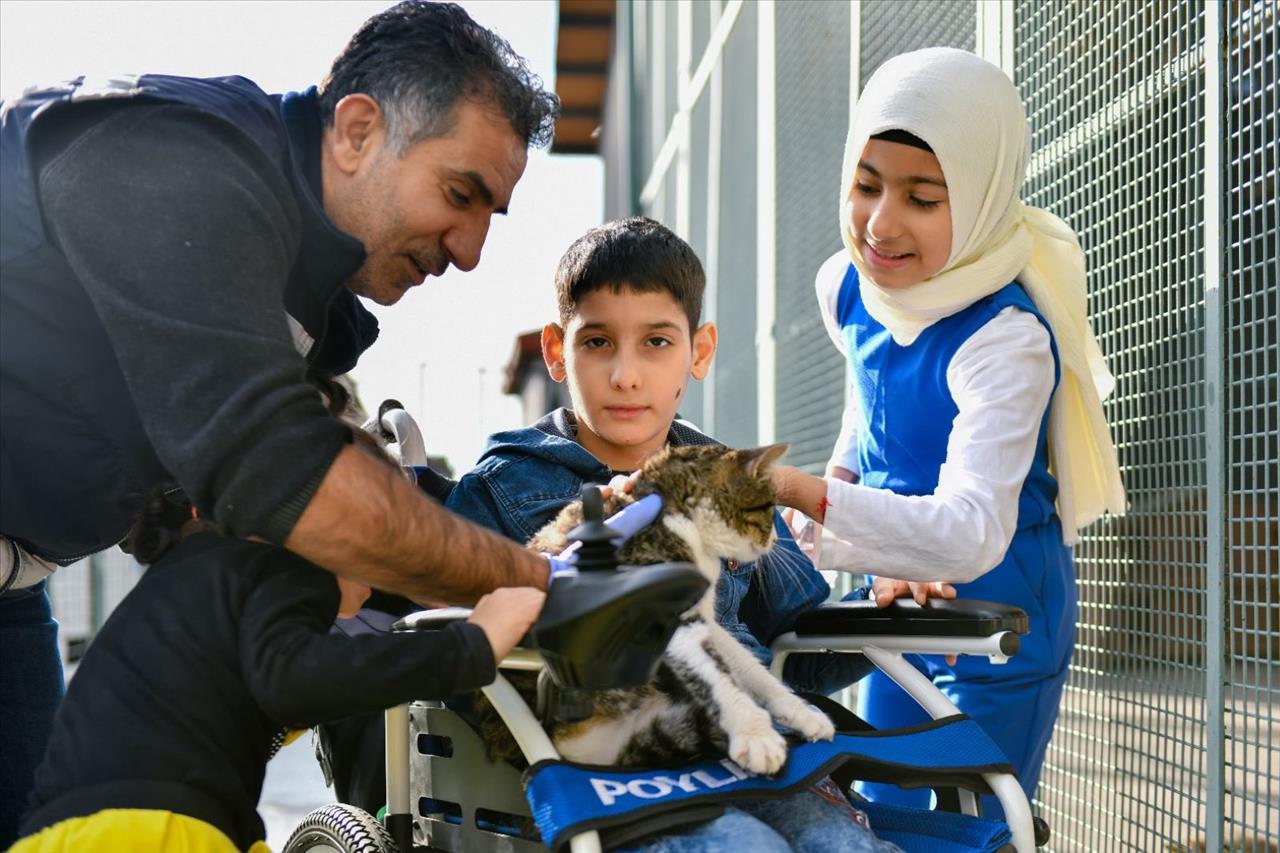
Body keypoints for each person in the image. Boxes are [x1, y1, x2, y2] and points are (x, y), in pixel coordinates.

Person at [0, 2, 561, 842]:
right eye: (460, 194)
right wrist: (536, 583)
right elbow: (280, 470)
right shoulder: (170, 158)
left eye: (491, 215)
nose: (472, 250)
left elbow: (329, 506)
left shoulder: (306, 297)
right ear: (358, 131)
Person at [445, 217, 901, 853]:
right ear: (557, 351)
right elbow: (456, 661)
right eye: (598, 342)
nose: (626, 375)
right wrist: (574, 563)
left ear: (700, 351)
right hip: (615, 773)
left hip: (757, 755)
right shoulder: (503, 486)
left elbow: (799, 643)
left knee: (845, 847)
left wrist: (885, 601)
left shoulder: (728, 478)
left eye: (657, 342)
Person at [768, 48, 1127, 817]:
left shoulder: (1005, 337)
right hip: (894, 606)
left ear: (983, 195)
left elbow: (971, 533)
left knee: (977, 827)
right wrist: (860, 504)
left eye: (923, 198)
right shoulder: (847, 286)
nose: (881, 223)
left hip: (999, 623)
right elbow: (868, 408)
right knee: (872, 815)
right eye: (866, 184)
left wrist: (806, 495)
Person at [9, 397, 547, 853]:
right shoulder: (287, 571)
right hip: (155, 827)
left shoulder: (211, 573)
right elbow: (300, 680)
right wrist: (473, 644)